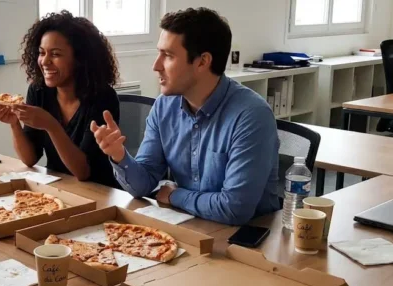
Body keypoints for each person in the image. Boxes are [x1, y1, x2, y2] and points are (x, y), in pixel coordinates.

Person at [91, 8, 281, 225]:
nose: (156, 65)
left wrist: (173, 195)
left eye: (168, 56)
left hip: (246, 241)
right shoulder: (165, 106)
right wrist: (119, 155)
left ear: (202, 62)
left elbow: (235, 208)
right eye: (159, 53)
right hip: (191, 225)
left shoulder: (251, 116)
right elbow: (143, 185)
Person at [0, 10, 121, 188]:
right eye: (42, 53)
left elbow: (83, 172)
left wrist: (51, 125)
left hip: (98, 192)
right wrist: (14, 124)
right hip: (58, 187)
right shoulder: (39, 90)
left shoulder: (102, 97)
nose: (45, 61)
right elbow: (30, 159)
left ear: (79, 59)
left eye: (56, 54)